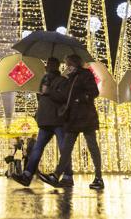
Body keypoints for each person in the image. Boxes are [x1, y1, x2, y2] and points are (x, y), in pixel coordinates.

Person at [38, 54, 104, 190]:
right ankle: (56, 175)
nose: (67, 67)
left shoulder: (85, 74)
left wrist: (79, 99)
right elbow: (63, 96)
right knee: (66, 148)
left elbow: (94, 92)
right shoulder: (69, 79)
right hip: (73, 118)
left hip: (86, 117)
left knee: (92, 147)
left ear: (75, 64)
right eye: (66, 65)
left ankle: (98, 177)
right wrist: (49, 91)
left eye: (69, 65)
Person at [12, 57, 74, 187]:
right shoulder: (45, 80)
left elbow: (64, 97)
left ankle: (67, 176)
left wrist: (49, 92)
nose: (47, 67)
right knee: (38, 148)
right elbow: (41, 98)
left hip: (57, 119)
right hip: (47, 119)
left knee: (62, 148)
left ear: (55, 67)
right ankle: (27, 175)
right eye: (47, 65)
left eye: (50, 65)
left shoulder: (62, 81)